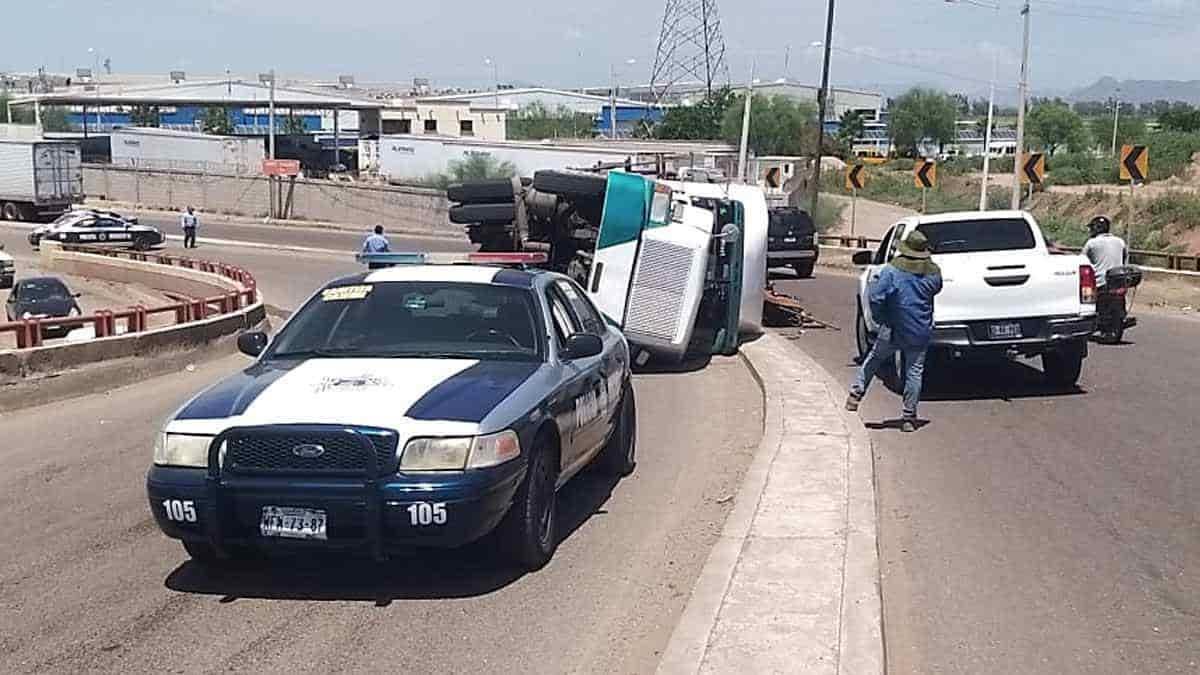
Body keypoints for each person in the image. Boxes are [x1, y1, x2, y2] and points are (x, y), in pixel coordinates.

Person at [845, 229, 944, 432]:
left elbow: (875, 297)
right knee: (914, 371)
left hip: (893, 327)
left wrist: (880, 317)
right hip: (920, 328)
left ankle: (856, 395)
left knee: (874, 360)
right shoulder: (933, 273)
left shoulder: (891, 271)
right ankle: (909, 417)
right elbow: (936, 289)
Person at [1082, 215, 1127, 289]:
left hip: (1100, 284)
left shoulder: (1091, 243)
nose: (1090, 231)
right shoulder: (1120, 241)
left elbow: (1082, 261)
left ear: (1096, 228)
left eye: (1091, 228)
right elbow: (1124, 260)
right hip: (1118, 283)